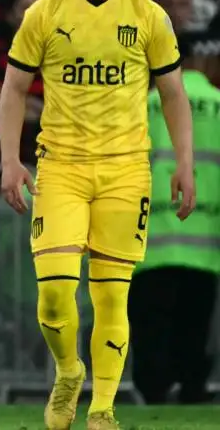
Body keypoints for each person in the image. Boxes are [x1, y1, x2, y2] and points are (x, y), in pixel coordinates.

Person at [0, 0, 198, 430]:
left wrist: (184, 164)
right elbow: (14, 88)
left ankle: (103, 408)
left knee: (112, 295)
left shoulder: (147, 16)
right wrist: (10, 160)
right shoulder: (44, 14)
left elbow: (173, 94)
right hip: (60, 167)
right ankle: (69, 372)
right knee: (56, 297)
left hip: (125, 171)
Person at [130, 31, 220, 405]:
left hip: (150, 240)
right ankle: (193, 386)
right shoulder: (217, 103)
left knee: (151, 325)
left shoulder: (140, 105)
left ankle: (153, 391)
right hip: (206, 242)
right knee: (194, 326)